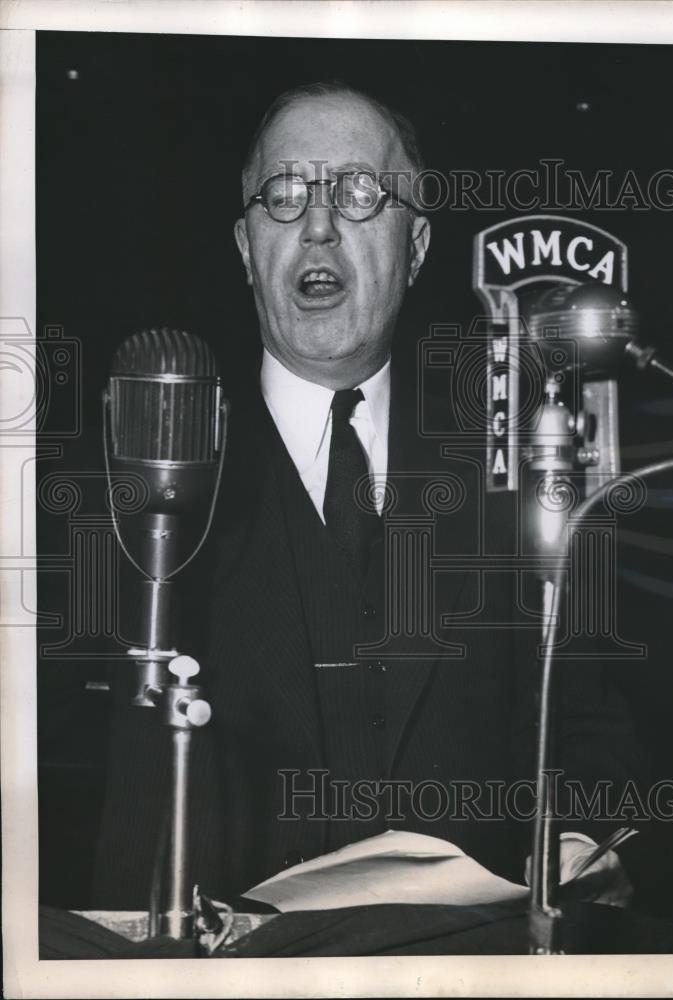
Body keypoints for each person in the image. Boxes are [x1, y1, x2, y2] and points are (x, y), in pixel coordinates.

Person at [92, 81, 641, 912]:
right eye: (283, 196)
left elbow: (590, 722)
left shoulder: (520, 469)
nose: (317, 226)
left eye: (358, 193)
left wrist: (577, 849)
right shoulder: (136, 469)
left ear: (416, 247)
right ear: (246, 247)